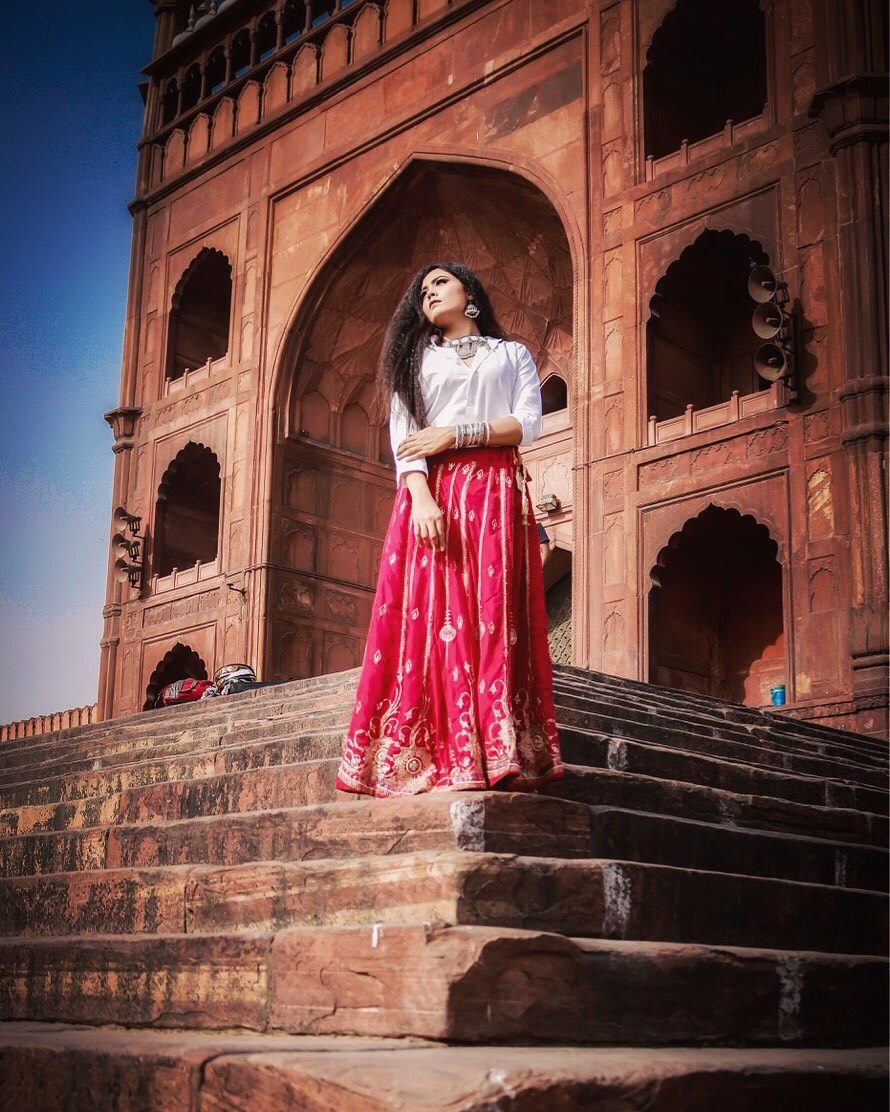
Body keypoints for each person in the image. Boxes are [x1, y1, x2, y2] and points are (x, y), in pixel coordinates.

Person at [335, 262, 563, 798]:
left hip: (496, 493)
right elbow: (406, 438)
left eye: (439, 282)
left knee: (492, 616)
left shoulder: (511, 354)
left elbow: (527, 424)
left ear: (470, 293)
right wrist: (420, 499)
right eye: (422, 291)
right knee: (437, 620)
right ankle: (440, 753)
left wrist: (453, 435)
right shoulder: (418, 360)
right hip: (435, 496)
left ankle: (497, 751)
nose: (429, 293)